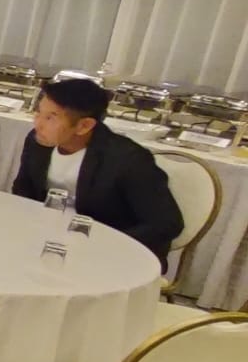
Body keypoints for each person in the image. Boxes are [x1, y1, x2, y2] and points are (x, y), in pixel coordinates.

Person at [15, 78, 183, 266]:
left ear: (84, 126)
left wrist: (101, 245)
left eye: (50, 118)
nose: (38, 124)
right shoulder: (38, 142)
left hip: (111, 254)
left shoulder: (127, 159)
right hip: (49, 241)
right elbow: (23, 189)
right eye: (38, 112)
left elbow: (167, 223)